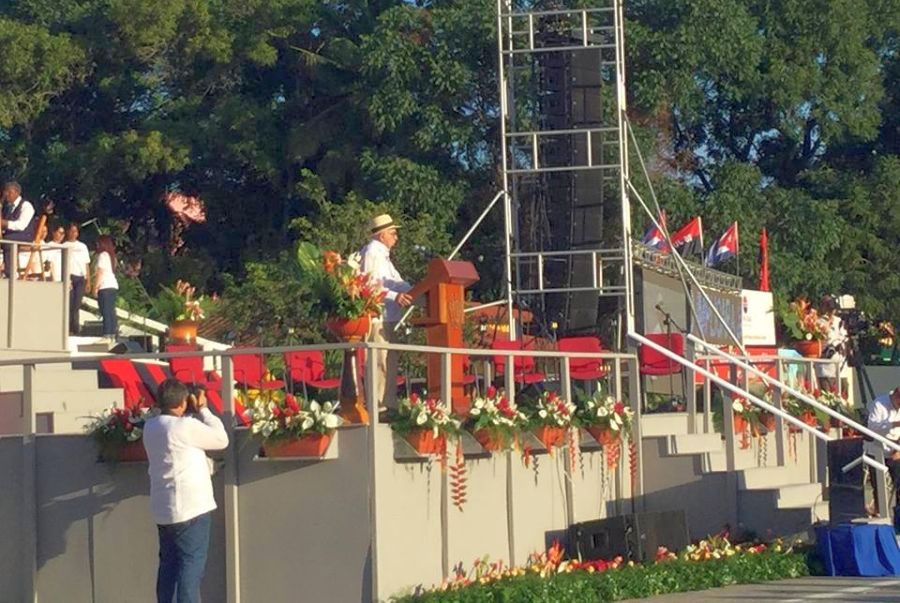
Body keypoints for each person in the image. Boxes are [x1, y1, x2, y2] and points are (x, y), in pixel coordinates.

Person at [143, 379, 228, 603]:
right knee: (190, 570)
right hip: (191, 510)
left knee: (168, 570)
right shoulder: (185, 426)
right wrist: (203, 409)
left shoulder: (150, 428)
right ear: (182, 402)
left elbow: (181, 454)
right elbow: (221, 439)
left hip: (164, 510)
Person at [359, 214, 413, 409]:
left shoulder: (383, 256)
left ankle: (388, 405)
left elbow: (399, 282)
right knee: (380, 363)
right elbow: (369, 286)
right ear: (382, 235)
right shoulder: (372, 252)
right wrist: (395, 296)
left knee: (388, 363)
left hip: (389, 317)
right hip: (378, 317)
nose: (396, 237)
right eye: (393, 233)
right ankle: (379, 408)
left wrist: (419, 291)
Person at [0, 181, 37, 277]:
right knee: (5, 239)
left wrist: (4, 223)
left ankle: (11, 273)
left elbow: (21, 225)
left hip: (25, 235)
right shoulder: (7, 207)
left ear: (17, 193)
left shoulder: (26, 206)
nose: (7, 195)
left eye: (9, 192)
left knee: (7, 241)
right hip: (11, 234)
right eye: (6, 192)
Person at [816, 296, 847, 393]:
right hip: (826, 367)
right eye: (828, 308)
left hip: (841, 366)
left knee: (843, 395)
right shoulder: (818, 321)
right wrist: (828, 323)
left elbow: (845, 336)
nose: (831, 311)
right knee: (828, 396)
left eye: (832, 308)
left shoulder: (839, 321)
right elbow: (825, 338)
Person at [65, 223, 91, 334]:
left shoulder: (82, 246)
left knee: (76, 304)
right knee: (69, 304)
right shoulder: (64, 245)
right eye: (71, 231)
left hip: (81, 277)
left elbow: (86, 264)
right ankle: (69, 328)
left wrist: (88, 280)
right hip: (70, 276)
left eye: (75, 231)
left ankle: (75, 329)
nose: (73, 233)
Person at [92, 234, 119, 340]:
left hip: (105, 286)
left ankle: (107, 333)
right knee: (111, 310)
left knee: (106, 311)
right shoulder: (111, 256)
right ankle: (112, 332)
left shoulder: (103, 255)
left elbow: (100, 272)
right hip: (112, 285)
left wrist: (95, 287)